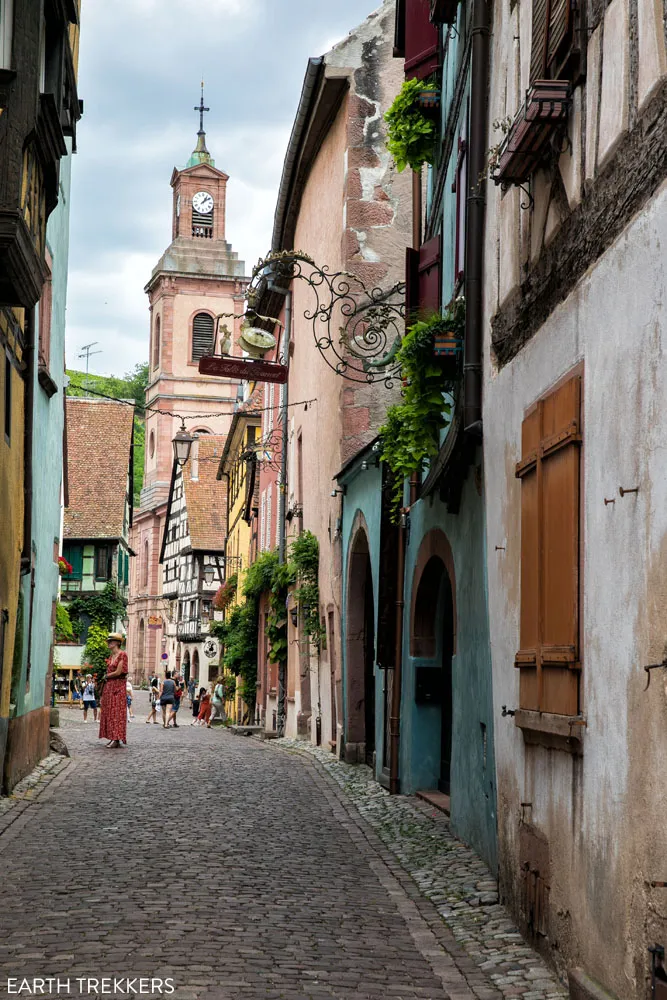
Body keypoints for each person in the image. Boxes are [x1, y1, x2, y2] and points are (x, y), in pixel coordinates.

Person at [98, 633, 128, 749]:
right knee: (110, 712)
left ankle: (116, 738)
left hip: (118, 686)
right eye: (109, 641)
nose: (109, 643)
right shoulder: (111, 656)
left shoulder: (122, 655)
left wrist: (106, 676)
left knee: (117, 712)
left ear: (117, 643)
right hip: (109, 687)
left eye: (111, 641)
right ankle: (112, 737)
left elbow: (119, 672)